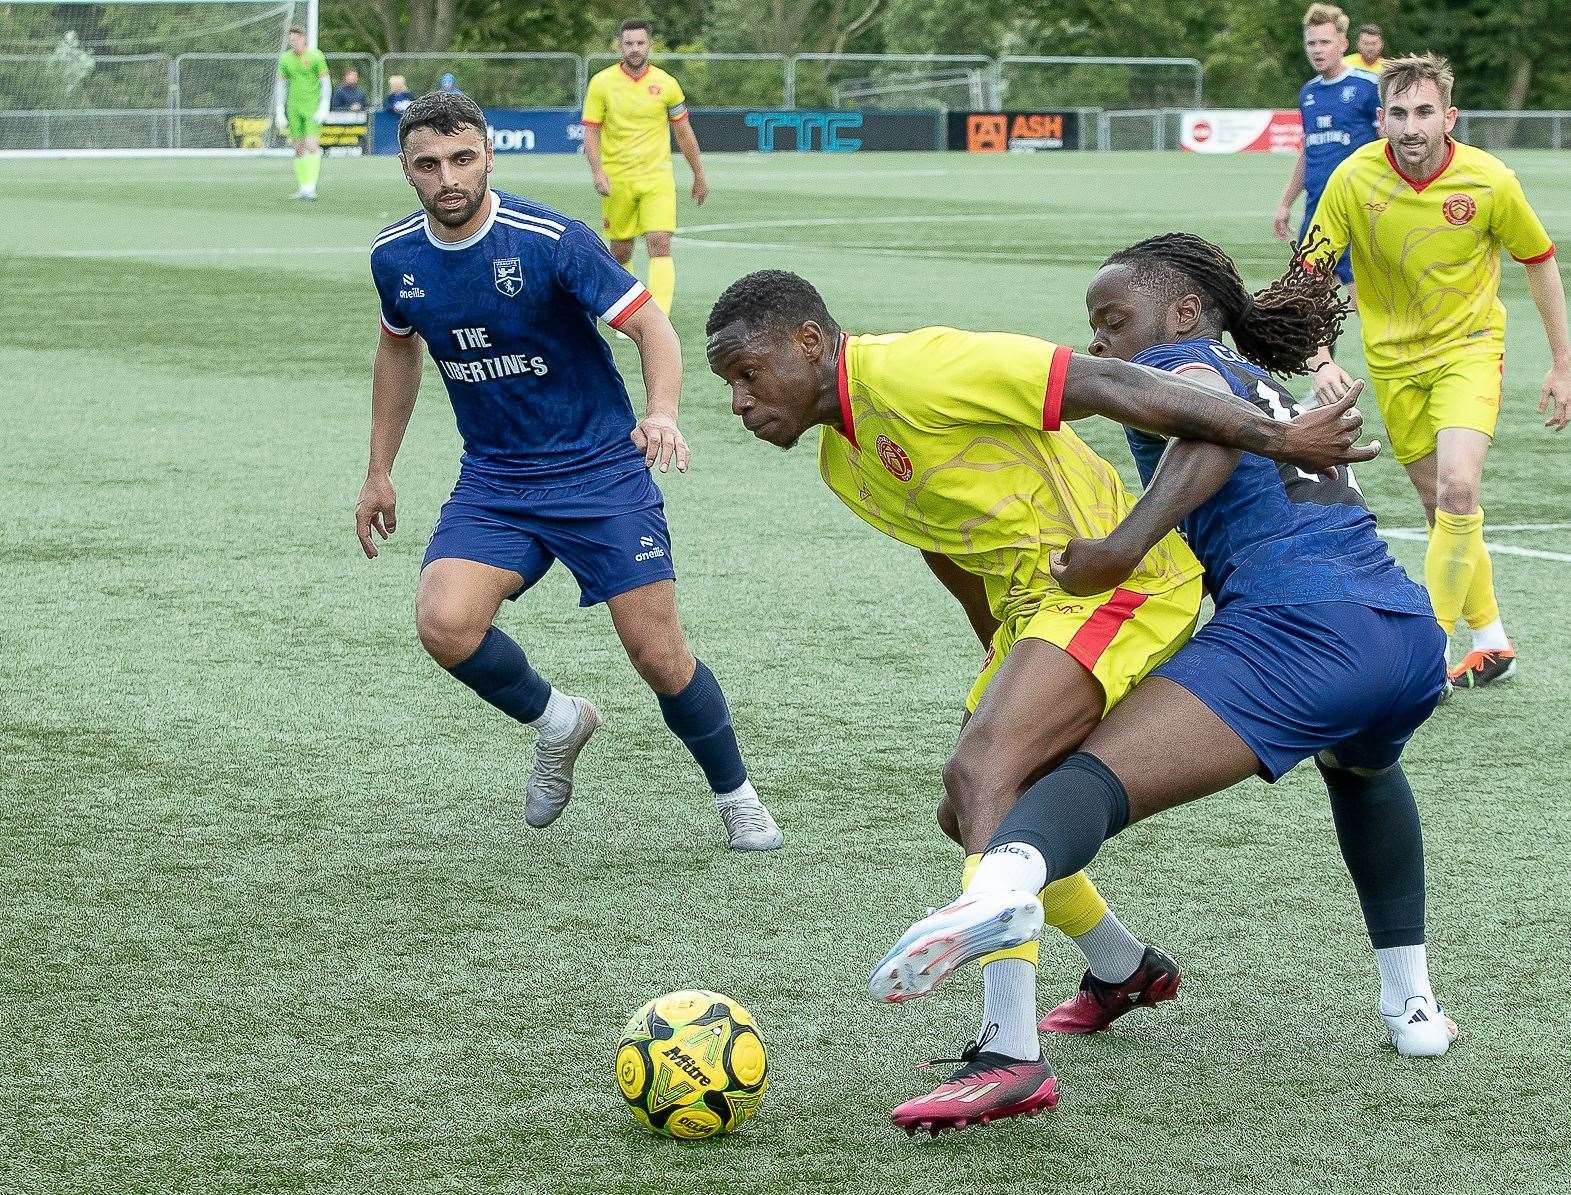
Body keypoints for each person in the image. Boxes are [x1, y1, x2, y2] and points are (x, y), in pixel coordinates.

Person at [705, 269, 1381, 1131]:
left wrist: (1272, 437)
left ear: (809, 343)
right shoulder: (845, 460)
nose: (737, 399)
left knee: (985, 769)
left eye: (747, 372)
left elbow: (1110, 382)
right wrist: (999, 654)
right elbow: (947, 549)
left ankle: (1009, 1056)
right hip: (1039, 611)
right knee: (968, 809)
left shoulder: (918, 367)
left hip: (1120, 583)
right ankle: (1124, 966)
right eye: (728, 382)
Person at [869, 234, 1455, 1136]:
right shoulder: (1254, 377)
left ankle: (996, 896)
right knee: (1365, 776)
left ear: (1183, 313)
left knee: (1065, 787)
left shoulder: (1183, 364)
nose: (1101, 345)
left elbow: (1200, 421)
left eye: (1112, 321)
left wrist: (1119, 545)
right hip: (1403, 635)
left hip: (1299, 630)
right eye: (1092, 329)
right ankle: (1410, 1005)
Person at [358, 92, 782, 852]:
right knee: (444, 623)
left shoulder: (552, 239)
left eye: (462, 159)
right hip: (495, 479)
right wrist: (378, 469)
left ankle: (737, 796)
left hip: (598, 472)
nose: (447, 177)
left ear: (488, 156)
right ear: (406, 169)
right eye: (428, 164)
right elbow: (398, 348)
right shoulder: (395, 257)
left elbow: (650, 322)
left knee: (658, 654)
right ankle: (560, 721)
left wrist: (661, 410)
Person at [1307, 53, 1571, 689]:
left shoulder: (1491, 182)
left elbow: (1539, 260)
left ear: (1449, 117)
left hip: (1469, 350)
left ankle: (1424, 655)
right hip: (1393, 364)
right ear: (1380, 121)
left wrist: (1563, 366)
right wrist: (1319, 360)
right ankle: (1492, 639)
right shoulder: (1352, 180)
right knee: (1439, 507)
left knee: (1457, 488)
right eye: (1398, 113)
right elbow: (1308, 276)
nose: (1412, 126)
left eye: (1425, 112)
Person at [582, 19, 708, 314]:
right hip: (618, 179)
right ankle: (626, 312)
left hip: (657, 177)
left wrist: (698, 174)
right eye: (629, 44)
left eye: (640, 43)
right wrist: (598, 172)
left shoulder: (667, 84)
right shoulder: (602, 83)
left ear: (649, 45)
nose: (635, 49)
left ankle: (658, 316)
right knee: (621, 249)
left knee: (659, 241)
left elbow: (684, 131)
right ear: (619, 46)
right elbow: (591, 131)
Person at [1273, 3, 1379, 302]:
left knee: (1368, 308)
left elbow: (1388, 145)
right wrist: (1285, 203)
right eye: (1311, 43)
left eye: (1325, 42)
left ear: (1343, 44)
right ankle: (1320, 351)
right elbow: (1308, 151)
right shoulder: (1309, 92)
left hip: (1356, 209)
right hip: (1317, 211)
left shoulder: (1367, 86)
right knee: (1305, 309)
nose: (1317, 50)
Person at [274, 25, 329, 200]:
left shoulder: (316, 56)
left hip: (311, 107)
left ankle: (311, 187)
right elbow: (281, 86)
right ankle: (303, 186)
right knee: (298, 148)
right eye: (291, 40)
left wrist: (324, 105)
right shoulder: (285, 59)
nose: (293, 42)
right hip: (293, 108)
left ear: (303, 38)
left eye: (296, 39)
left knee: (312, 146)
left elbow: (325, 82)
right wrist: (279, 109)